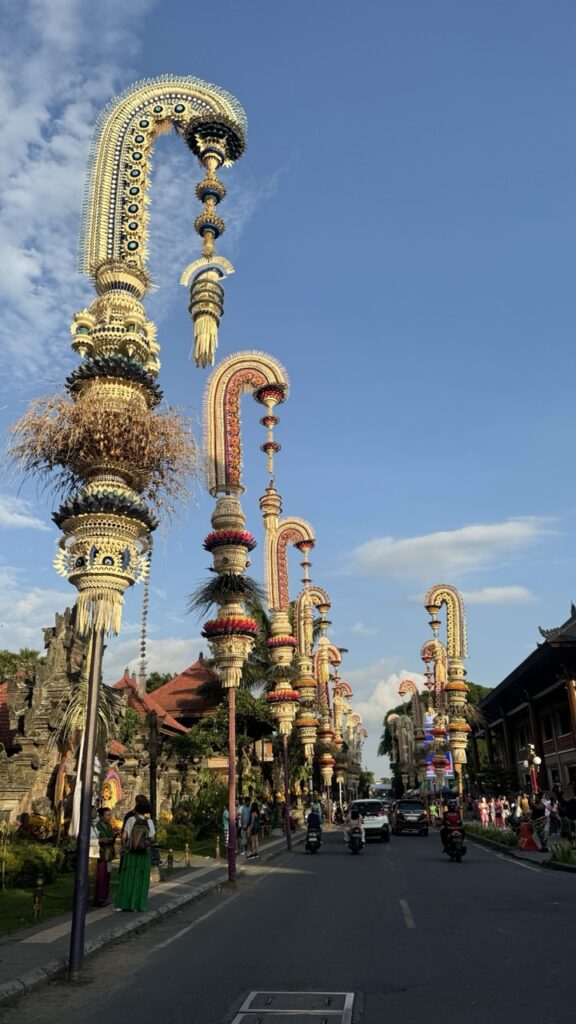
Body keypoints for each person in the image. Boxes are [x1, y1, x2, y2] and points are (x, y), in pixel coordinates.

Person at [114, 794, 155, 912]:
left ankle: (122, 904)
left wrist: (125, 847)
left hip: (131, 853)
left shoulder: (131, 820)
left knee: (127, 878)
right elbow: (152, 838)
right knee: (141, 879)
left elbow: (124, 836)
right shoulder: (150, 822)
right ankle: (138, 905)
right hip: (144, 854)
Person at [94, 807, 115, 906]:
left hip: (109, 853)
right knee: (100, 877)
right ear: (101, 816)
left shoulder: (110, 826)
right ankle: (99, 898)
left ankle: (105, 897)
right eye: (107, 815)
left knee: (107, 876)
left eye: (110, 815)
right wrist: (103, 840)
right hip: (101, 853)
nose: (109, 817)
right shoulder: (97, 826)